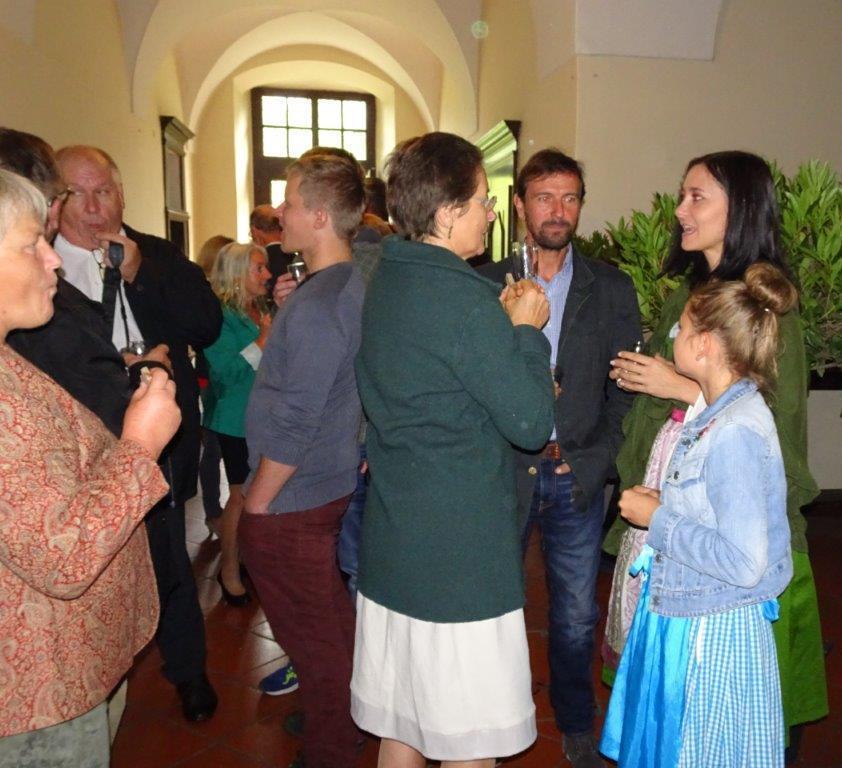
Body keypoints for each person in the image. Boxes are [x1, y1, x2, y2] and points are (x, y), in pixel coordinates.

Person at [605, 151, 828, 754]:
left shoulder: (765, 309)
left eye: (697, 197)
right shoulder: (689, 294)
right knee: (670, 716)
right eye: (682, 195)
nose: (680, 209)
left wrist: (679, 387)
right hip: (669, 522)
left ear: (743, 208)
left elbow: (773, 436)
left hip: (727, 547)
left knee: (735, 718)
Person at [352, 132, 555, 768]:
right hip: (458, 558)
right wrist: (527, 334)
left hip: (396, 540)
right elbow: (530, 423)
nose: (492, 213)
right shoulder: (465, 302)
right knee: (469, 744)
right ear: (446, 212)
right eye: (484, 200)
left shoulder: (389, 277)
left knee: (403, 728)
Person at [0, 168, 180, 766]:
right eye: (31, 244)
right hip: (36, 692)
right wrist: (140, 444)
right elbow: (65, 557)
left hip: (60, 662)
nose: (52, 259)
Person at [480, 149, 641, 767]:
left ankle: (575, 724)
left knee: (575, 616)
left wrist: (598, 456)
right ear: (520, 205)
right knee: (495, 604)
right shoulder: (484, 282)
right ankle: (494, 715)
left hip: (574, 473)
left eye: (570, 198)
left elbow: (626, 389)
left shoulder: (610, 287)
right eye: (545, 197)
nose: (558, 210)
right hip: (503, 470)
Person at [600, 263, 798, 767]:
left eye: (682, 328)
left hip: (712, 634)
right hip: (694, 617)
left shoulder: (734, 431)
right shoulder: (718, 414)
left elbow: (743, 561)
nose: (673, 335)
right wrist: (669, 505)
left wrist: (658, 519)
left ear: (705, 345)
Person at [54, 145, 223, 722]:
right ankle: (99, 684)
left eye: (103, 191)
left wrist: (139, 272)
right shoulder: (42, 266)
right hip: (85, 447)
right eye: (77, 194)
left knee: (169, 554)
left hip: (162, 442)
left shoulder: (158, 254)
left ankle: (189, 670)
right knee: (98, 565)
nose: (93, 207)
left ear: (121, 194)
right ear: (56, 202)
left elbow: (206, 324)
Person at [240, 151, 367, 768]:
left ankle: (332, 748)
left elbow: (297, 416)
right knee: (330, 623)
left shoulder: (321, 304)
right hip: (323, 481)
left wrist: (258, 503)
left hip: (294, 495)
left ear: (319, 217)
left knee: (314, 643)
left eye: (290, 203)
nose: (280, 213)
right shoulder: (342, 284)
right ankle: (343, 718)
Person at [204, 242, 273, 606]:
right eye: (259, 268)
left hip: (263, 416)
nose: (267, 275)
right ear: (236, 274)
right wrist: (262, 340)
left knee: (256, 493)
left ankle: (243, 558)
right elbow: (225, 373)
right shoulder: (219, 316)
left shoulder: (258, 308)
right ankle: (229, 570)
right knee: (240, 495)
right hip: (234, 418)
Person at [196, 234, 234, 531]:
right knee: (212, 446)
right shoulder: (206, 295)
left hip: (215, 377)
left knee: (216, 446)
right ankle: (213, 511)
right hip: (210, 378)